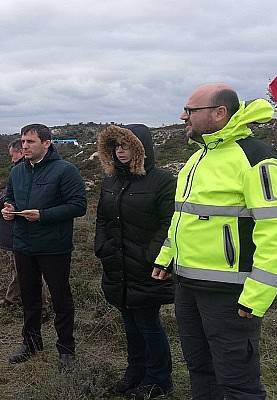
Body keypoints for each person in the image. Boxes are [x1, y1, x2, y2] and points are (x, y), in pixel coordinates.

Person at [152, 83, 277, 399]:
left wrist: (258, 294)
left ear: (219, 113)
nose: (182, 116)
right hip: (187, 285)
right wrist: (166, 257)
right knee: (200, 370)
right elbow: (183, 217)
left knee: (237, 382)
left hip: (229, 293)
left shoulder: (258, 157)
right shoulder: (197, 159)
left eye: (190, 110)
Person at [95, 124, 176, 399]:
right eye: (116, 146)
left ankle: (159, 379)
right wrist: (102, 248)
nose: (120, 151)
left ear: (141, 148)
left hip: (146, 268)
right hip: (117, 265)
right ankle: (135, 371)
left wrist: (151, 257)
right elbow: (103, 219)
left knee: (148, 323)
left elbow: (170, 224)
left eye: (126, 145)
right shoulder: (110, 181)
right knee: (130, 321)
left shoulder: (162, 181)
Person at [1, 123, 87, 371]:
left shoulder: (65, 170)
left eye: (30, 142)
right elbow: (9, 196)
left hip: (53, 246)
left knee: (61, 299)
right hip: (24, 245)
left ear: (46, 143)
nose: (25, 146)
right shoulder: (17, 171)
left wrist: (43, 215)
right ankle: (31, 343)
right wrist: (8, 208)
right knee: (29, 297)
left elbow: (78, 206)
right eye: (23, 141)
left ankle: (66, 350)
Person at [0, 139, 50, 312]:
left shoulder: (28, 173)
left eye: (13, 155)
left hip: (24, 231)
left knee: (27, 269)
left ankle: (40, 305)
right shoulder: (18, 172)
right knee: (21, 268)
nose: (11, 159)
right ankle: (18, 299)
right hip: (15, 230)